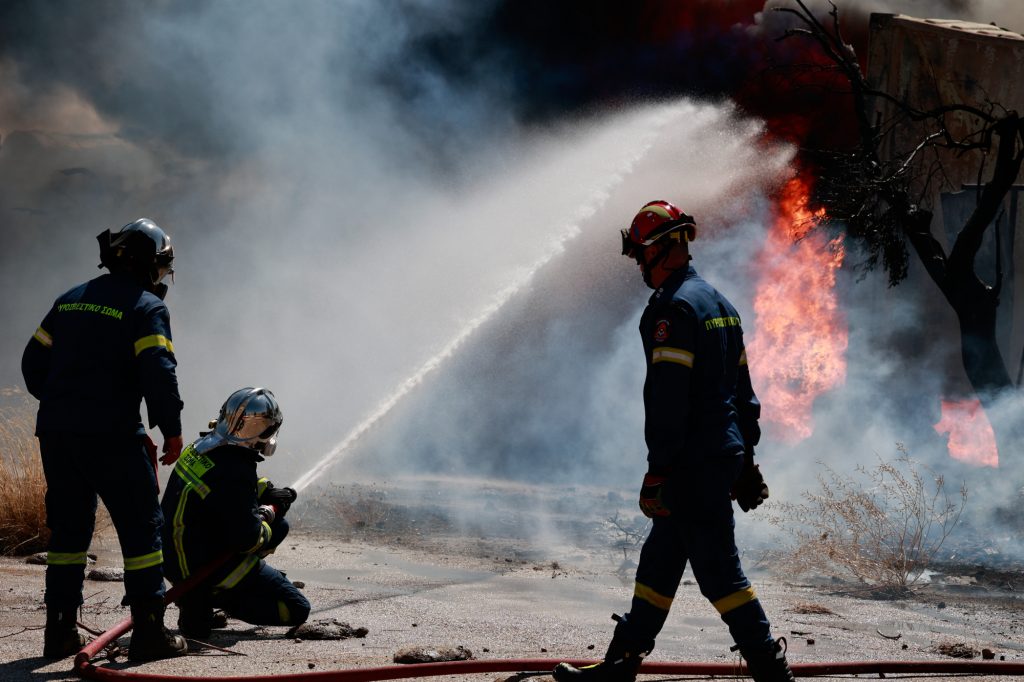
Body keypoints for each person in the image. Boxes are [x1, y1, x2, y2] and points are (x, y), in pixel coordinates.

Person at [553, 201, 794, 682]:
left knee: (720, 574)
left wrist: (658, 470)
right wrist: (745, 459)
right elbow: (742, 394)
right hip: (718, 454)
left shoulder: (674, 310)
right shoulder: (720, 305)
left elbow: (668, 401)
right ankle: (621, 663)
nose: (639, 265)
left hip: (692, 462)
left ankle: (771, 671)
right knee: (660, 561)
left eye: (641, 254)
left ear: (660, 250)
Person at [21, 218, 188, 661]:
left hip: (58, 434)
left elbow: (32, 363)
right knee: (141, 529)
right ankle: (150, 633)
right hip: (113, 435)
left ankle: (59, 633)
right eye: (162, 268)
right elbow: (159, 372)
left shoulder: (70, 300)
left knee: (69, 531)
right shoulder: (147, 308)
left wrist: (64, 402)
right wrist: (171, 428)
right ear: (150, 266)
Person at [160, 387, 310, 640]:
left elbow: (220, 492)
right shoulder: (235, 469)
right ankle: (209, 598)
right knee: (296, 608)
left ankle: (198, 599)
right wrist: (266, 516)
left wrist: (266, 492)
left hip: (173, 558)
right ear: (265, 431)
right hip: (199, 569)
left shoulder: (202, 447)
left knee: (280, 527)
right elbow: (248, 538)